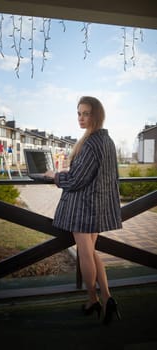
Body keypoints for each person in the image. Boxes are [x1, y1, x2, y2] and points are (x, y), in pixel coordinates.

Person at [45, 96, 122, 325]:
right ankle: (107, 298)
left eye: (86, 113)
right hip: (97, 205)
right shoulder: (106, 141)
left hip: (84, 208)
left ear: (96, 115)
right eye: (79, 113)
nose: (81, 117)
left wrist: (55, 176)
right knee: (92, 252)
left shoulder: (91, 143)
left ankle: (93, 299)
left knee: (85, 254)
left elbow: (77, 179)